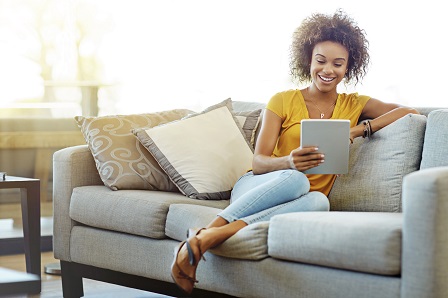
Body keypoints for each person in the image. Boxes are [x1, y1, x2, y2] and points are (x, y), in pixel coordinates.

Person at [170, 9, 419, 294]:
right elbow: (259, 161)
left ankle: (204, 238)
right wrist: (288, 161)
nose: (328, 70)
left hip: (305, 199)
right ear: (308, 61)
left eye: (338, 64)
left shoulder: (354, 104)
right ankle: (205, 233)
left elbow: (408, 111)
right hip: (261, 185)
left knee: (320, 202)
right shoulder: (283, 100)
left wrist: (358, 130)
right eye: (321, 61)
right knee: (296, 179)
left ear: (348, 68)